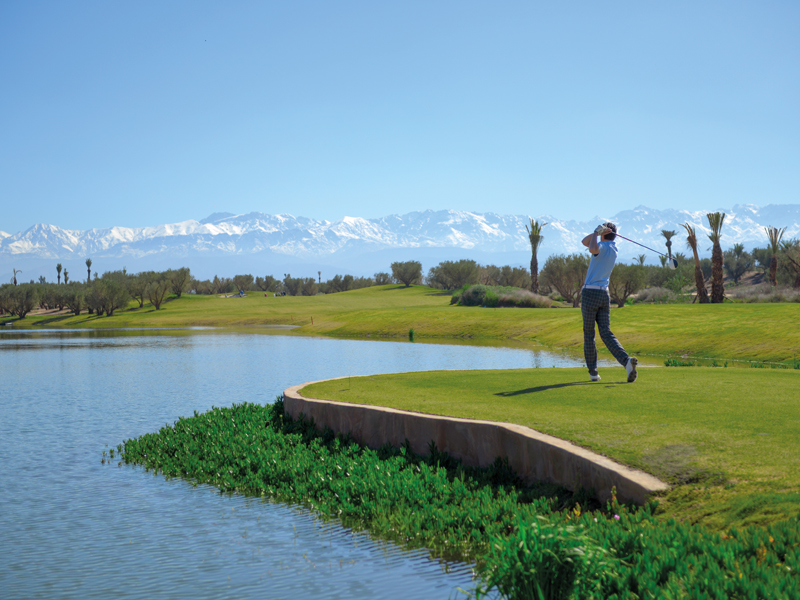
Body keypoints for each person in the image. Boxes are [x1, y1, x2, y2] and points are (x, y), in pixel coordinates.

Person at [580, 222, 638, 383]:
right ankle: (626, 362)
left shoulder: (602, 247)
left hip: (590, 293)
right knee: (606, 333)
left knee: (589, 334)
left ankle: (593, 372)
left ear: (605, 233)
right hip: (604, 295)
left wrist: (595, 232)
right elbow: (585, 242)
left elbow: (591, 248)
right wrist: (597, 234)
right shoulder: (613, 248)